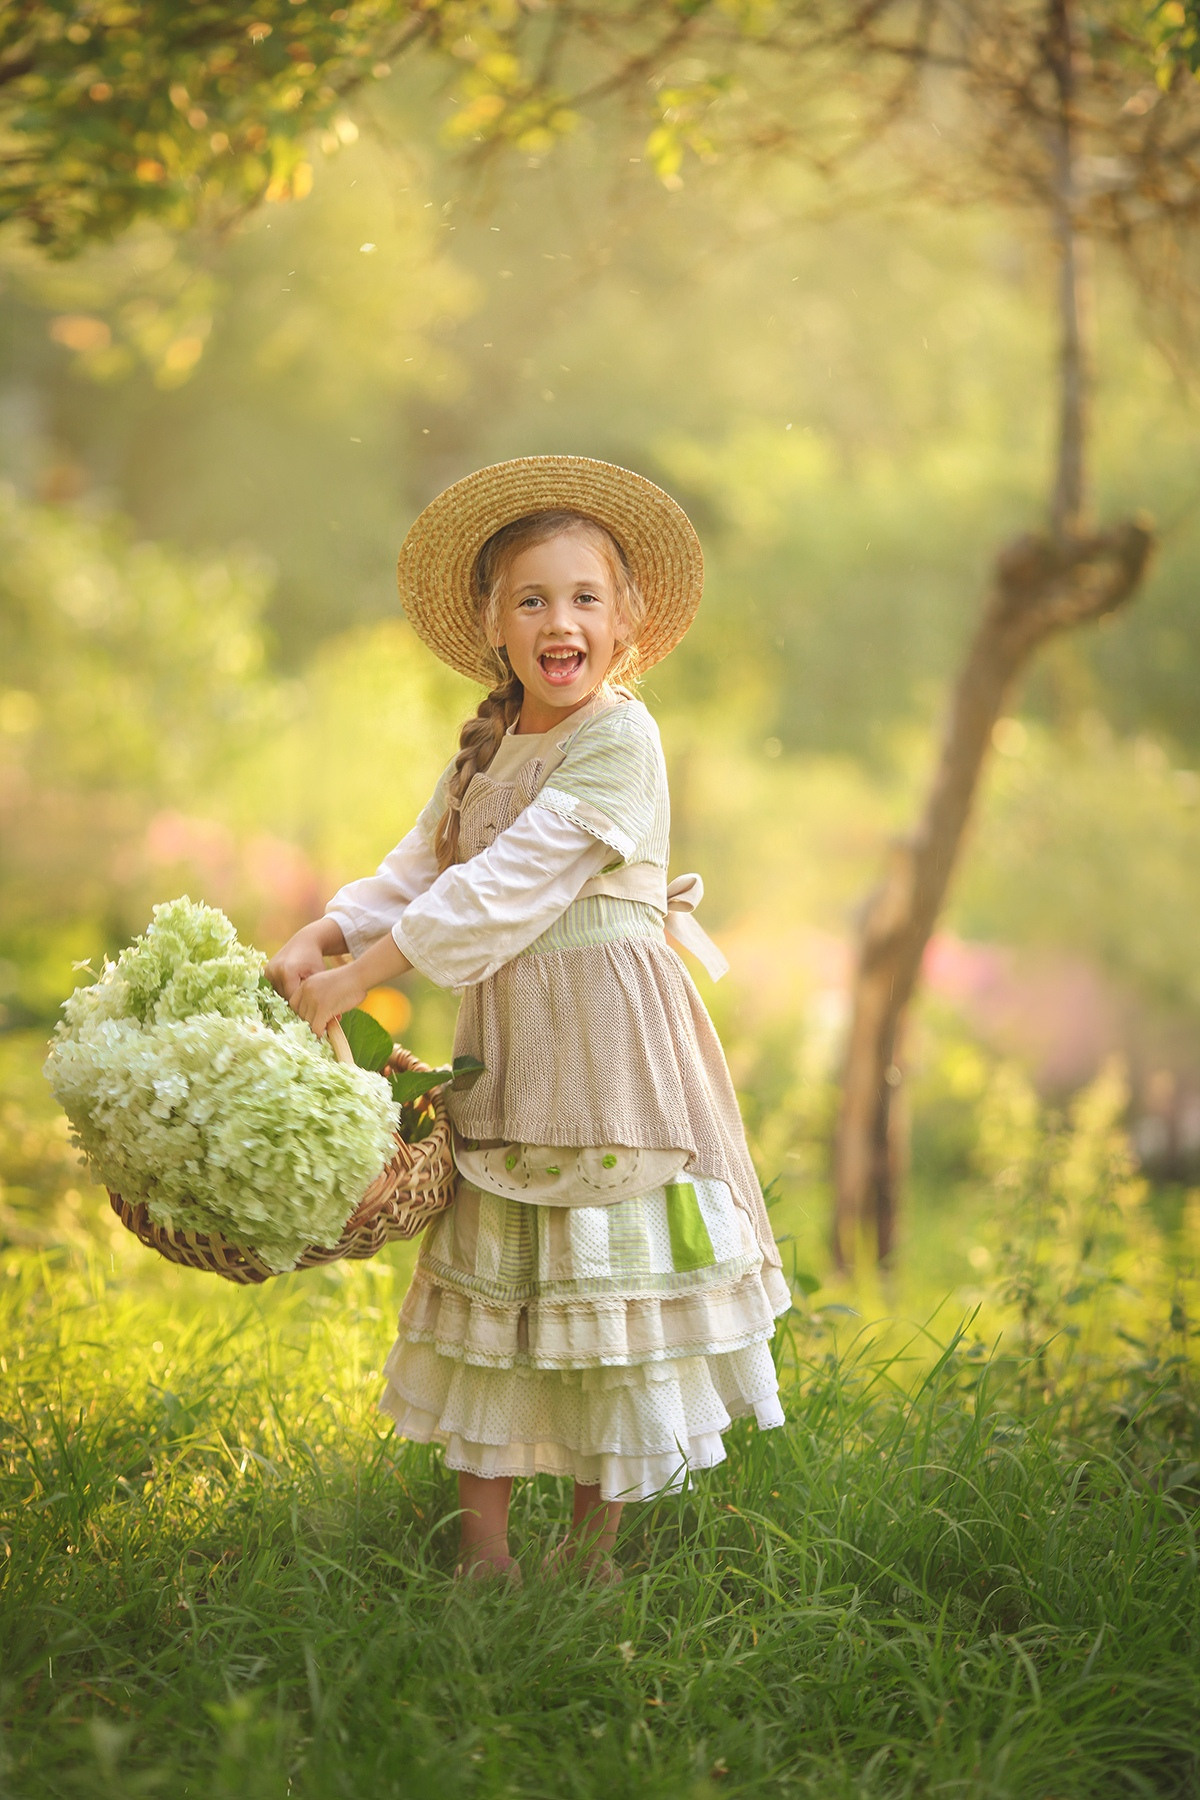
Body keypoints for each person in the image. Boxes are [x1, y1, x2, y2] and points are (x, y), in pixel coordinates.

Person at [267, 455, 791, 1585]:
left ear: (627, 620)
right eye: (533, 600)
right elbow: (425, 869)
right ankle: (487, 1554)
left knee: (607, 1288)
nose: (561, 622)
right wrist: (332, 931)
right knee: (496, 1288)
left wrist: (367, 979)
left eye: (585, 598)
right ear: (494, 625)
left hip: (606, 1055)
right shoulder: (490, 748)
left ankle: (591, 1553)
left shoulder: (619, 738)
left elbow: (510, 885)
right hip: (509, 1054)